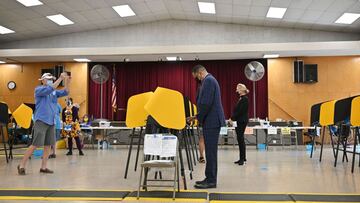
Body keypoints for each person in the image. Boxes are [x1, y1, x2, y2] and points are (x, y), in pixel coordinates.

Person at [17, 72, 70, 175]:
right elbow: (50, 89)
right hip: (41, 121)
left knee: (48, 145)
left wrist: (68, 81)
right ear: (42, 80)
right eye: (48, 79)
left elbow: (66, 92)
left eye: (51, 79)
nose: (50, 80)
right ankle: (22, 165)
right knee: (35, 144)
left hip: (51, 121)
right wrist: (60, 78)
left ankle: (43, 167)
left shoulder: (53, 92)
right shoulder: (39, 90)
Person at [188, 65, 225, 189]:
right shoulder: (210, 80)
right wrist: (196, 117)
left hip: (212, 122)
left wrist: (199, 117)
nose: (197, 80)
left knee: (211, 152)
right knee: (210, 151)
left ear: (199, 73)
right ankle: (209, 177)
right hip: (212, 121)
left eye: (196, 77)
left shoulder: (208, 81)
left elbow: (205, 103)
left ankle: (211, 181)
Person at [229, 84, 249, 166]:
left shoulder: (244, 99)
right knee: (240, 139)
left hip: (241, 121)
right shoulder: (241, 99)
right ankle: (242, 158)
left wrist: (232, 118)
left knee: (240, 140)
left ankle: (242, 159)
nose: (236, 90)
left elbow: (240, 111)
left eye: (237, 89)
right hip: (239, 121)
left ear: (241, 89)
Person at [192, 72, 205, 163]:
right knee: (205, 139)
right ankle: (203, 157)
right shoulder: (204, 87)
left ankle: (201, 157)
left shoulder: (199, 89)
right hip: (206, 118)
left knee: (201, 139)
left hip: (201, 117)